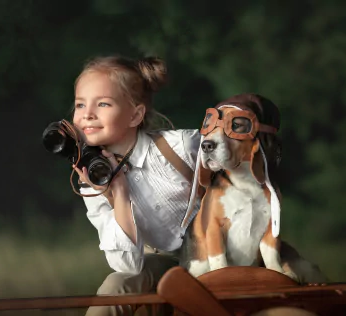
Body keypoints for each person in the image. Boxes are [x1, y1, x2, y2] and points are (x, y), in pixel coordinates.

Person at [71, 55, 327, 316]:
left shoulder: (183, 145)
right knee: (116, 286)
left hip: (229, 237)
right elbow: (127, 265)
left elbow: (237, 160)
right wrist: (120, 193)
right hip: (164, 259)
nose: (87, 114)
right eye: (79, 105)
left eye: (103, 103)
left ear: (136, 114)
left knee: (306, 276)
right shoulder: (91, 181)